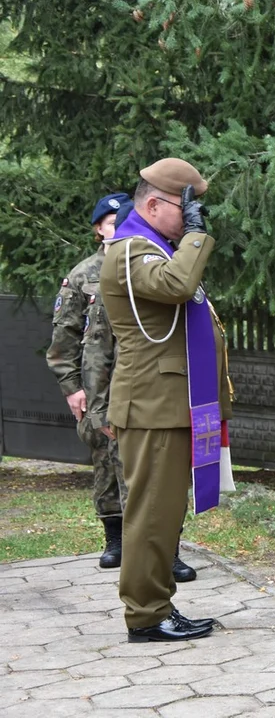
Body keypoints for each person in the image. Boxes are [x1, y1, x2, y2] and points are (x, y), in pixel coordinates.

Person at [100, 158, 231, 642]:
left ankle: (157, 605)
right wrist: (195, 239)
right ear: (154, 204)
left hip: (167, 405)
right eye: (187, 209)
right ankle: (146, 615)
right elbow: (178, 286)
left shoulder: (153, 247)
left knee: (163, 513)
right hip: (152, 407)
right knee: (151, 513)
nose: (193, 218)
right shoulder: (132, 251)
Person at [46, 194, 130, 568]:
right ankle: (115, 540)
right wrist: (72, 387)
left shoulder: (146, 265)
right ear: (99, 229)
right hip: (98, 389)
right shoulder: (82, 275)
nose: (118, 227)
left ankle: (168, 547)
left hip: (141, 385)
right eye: (112, 221)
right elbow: (63, 338)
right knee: (106, 461)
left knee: (152, 466)